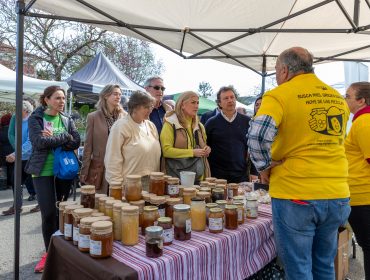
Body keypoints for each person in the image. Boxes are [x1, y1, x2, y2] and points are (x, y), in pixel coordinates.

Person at [248, 47, 350, 280]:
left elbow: (256, 135)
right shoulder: (337, 97)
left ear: (284, 70)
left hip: (297, 192)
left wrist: (264, 167)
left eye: (276, 70)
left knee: (298, 268)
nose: (276, 75)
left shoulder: (279, 95)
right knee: (324, 264)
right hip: (336, 193)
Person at [26, 85, 80, 273]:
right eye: (57, 98)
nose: (62, 101)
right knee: (48, 214)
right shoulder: (36, 119)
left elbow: (76, 141)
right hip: (42, 171)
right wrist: (64, 137)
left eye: (63, 98)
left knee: (62, 212)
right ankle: (48, 254)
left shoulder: (66, 119)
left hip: (63, 171)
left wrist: (57, 138)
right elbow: (39, 142)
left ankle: (61, 252)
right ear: (46, 100)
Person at [104, 90, 161, 191]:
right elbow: (112, 159)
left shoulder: (151, 126)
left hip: (152, 183)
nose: (150, 110)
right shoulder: (121, 126)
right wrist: (117, 187)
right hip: (130, 185)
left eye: (151, 107)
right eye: (146, 107)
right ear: (135, 107)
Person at [344, 82, 370, 280]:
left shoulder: (364, 122)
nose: (345, 100)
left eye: (348, 96)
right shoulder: (361, 121)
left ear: (361, 100)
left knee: (368, 246)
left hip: (363, 196)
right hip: (361, 194)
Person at [80, 84, 126, 195]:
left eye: (120, 94)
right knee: (100, 204)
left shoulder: (125, 116)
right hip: (100, 168)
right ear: (105, 96)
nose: (118, 97)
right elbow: (88, 146)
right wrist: (84, 171)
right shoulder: (93, 117)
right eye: (115, 94)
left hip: (120, 167)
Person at [160, 91, 211, 184]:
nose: (196, 106)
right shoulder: (170, 123)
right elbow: (166, 151)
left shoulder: (200, 126)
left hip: (199, 178)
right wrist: (192, 152)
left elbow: (204, 147)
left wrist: (207, 149)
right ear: (182, 105)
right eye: (193, 102)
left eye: (197, 102)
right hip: (176, 179)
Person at [205, 86, 251, 183]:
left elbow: (253, 148)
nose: (230, 100)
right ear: (219, 103)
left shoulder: (247, 121)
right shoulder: (211, 123)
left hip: (241, 175)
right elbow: (205, 146)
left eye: (232, 97)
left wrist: (253, 172)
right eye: (226, 98)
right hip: (217, 176)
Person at [2, 101, 38, 216]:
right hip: (20, 157)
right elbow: (12, 135)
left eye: (18, 109)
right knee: (15, 181)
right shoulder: (17, 121)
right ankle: (17, 206)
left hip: (32, 157)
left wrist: (15, 154)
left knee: (36, 182)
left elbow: (30, 142)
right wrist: (16, 153)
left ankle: (41, 204)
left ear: (26, 110)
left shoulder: (32, 121)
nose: (15, 112)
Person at [249, 96, 263, 181]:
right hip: (255, 165)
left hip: (271, 164)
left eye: (262, 104)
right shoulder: (252, 122)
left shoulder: (273, 121)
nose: (258, 106)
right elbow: (252, 148)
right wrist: (253, 171)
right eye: (257, 104)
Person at [0, 113, 14, 190]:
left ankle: (4, 184)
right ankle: (12, 183)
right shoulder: (13, 130)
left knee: (4, 168)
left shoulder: (1, 129)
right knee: (12, 169)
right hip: (12, 151)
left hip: (2, 152)